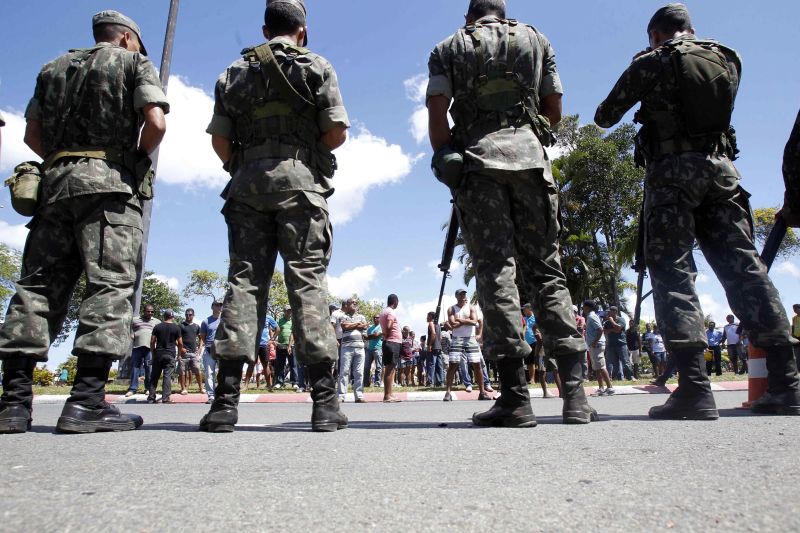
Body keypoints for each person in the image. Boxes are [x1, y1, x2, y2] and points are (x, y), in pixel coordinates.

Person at [595, 3, 799, 419]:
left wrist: (642, 69)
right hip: (723, 175)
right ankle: (787, 384)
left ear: (656, 34)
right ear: (691, 28)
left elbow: (605, 116)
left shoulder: (652, 61)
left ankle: (693, 388)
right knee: (746, 269)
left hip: (672, 176)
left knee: (672, 271)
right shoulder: (729, 58)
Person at [426, 0, 596, 427]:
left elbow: (437, 111)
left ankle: (515, 399)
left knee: (496, 273)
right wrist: (526, 137)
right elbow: (553, 109)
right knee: (548, 272)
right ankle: (575, 398)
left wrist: (446, 157)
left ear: (469, 17)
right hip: (532, 165)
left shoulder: (448, 47)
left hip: (478, 165)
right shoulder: (537, 40)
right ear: (502, 12)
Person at [0, 10, 168, 434]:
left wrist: (65, 161)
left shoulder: (52, 68)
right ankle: (86, 402)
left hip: (53, 188)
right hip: (110, 187)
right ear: (127, 38)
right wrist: (132, 159)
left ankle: (13, 404)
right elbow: (155, 122)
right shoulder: (133, 62)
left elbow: (31, 136)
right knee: (109, 286)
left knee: (36, 288)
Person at [200, 0, 349, 432]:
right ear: (302, 30)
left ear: (266, 31)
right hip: (300, 186)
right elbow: (336, 132)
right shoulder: (316, 65)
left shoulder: (233, 72)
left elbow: (220, 142)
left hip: (246, 187)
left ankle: (224, 404)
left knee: (244, 282)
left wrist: (248, 167)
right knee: (307, 283)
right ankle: (324, 405)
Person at [443, 289, 491, 402]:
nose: (463, 296)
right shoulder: (451, 309)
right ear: (456, 296)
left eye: (464, 294)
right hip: (457, 338)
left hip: (471, 338)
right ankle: (448, 393)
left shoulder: (471, 307)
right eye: (461, 294)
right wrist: (467, 320)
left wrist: (460, 320)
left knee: (477, 364)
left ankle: (482, 392)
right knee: (453, 365)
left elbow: (474, 322)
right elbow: (453, 324)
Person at [336, 298, 368, 403]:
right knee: (344, 372)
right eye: (352, 302)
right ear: (347, 305)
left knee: (359, 372)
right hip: (347, 347)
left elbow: (365, 327)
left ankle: (359, 396)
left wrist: (353, 325)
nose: (355, 304)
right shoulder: (342, 316)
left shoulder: (362, 317)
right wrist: (357, 325)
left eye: (356, 303)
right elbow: (344, 326)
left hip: (360, 347)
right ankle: (341, 396)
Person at [148, 310, 183, 404]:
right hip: (170, 354)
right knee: (167, 376)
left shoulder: (157, 327)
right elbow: (180, 343)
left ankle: (151, 397)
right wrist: (179, 355)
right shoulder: (176, 328)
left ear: (164, 316)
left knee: (154, 376)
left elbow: (152, 341)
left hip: (158, 354)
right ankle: (166, 398)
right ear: (173, 317)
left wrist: (153, 353)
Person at [126, 305, 160, 397]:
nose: (150, 313)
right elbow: (128, 329)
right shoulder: (135, 320)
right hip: (137, 347)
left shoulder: (157, 322)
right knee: (135, 368)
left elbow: (159, 334)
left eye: (152, 311)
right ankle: (132, 389)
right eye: (148, 311)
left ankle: (148, 388)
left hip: (150, 349)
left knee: (149, 368)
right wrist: (131, 334)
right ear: (143, 311)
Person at [583, 301, 614, 396]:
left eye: (584, 306)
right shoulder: (590, 316)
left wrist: (595, 342)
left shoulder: (592, 316)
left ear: (588, 307)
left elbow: (600, 330)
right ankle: (601, 388)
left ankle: (610, 388)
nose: (583, 308)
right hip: (593, 345)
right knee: (597, 367)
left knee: (601, 366)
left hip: (597, 345)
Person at [379, 294, 402, 402]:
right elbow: (389, 325)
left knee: (391, 369)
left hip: (389, 342)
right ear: (395, 302)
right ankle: (387, 396)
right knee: (389, 369)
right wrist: (388, 335)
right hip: (392, 342)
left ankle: (390, 394)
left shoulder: (383, 311)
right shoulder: (390, 312)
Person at [199, 301, 222, 404]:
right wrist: (209, 345)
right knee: (209, 374)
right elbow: (203, 337)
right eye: (217, 305)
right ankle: (211, 396)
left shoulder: (225, 320)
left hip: (222, 350)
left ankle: (221, 395)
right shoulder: (205, 321)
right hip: (209, 350)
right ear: (212, 307)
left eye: (221, 305)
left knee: (222, 374)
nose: (219, 307)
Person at [178, 308, 205, 395]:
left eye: (190, 315)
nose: (188, 316)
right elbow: (176, 339)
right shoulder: (181, 326)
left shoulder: (196, 326)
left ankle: (201, 388)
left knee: (197, 370)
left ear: (193, 315)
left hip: (194, 353)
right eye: (186, 314)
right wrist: (181, 348)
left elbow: (201, 338)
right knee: (182, 372)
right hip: (184, 353)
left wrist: (200, 348)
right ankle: (183, 389)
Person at [603, 306, 633, 381]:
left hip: (621, 344)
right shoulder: (607, 322)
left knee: (625, 362)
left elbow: (619, 328)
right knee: (615, 363)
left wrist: (612, 321)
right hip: (611, 345)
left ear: (615, 312)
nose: (608, 312)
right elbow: (605, 331)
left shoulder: (621, 319)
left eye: (610, 311)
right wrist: (613, 329)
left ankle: (630, 377)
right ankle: (619, 378)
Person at [250, 314, 279, 389]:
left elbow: (277, 329)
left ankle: (269, 385)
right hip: (253, 344)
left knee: (265, 365)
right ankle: (246, 385)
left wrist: (272, 339)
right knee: (251, 364)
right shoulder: (252, 315)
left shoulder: (268, 317)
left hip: (264, 345)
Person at [273, 308, 296, 389]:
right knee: (280, 364)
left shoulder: (293, 321)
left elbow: (293, 333)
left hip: (291, 345)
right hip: (280, 345)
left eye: (290, 310)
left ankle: (294, 382)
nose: (289, 312)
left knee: (293, 364)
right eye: (287, 310)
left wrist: (289, 346)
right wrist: (273, 340)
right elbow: (275, 330)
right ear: (284, 311)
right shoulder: (279, 320)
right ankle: (279, 382)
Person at [364, 315, 384, 388]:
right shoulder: (370, 328)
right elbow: (366, 337)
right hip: (369, 349)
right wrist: (373, 335)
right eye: (374, 317)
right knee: (366, 367)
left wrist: (370, 336)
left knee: (378, 366)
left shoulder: (381, 327)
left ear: (380, 319)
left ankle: (377, 382)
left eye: (377, 317)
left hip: (378, 348)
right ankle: (366, 382)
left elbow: (376, 335)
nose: (375, 319)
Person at [426, 311, 444, 387]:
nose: (426, 318)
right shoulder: (438, 325)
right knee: (439, 365)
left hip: (433, 347)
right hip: (439, 347)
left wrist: (430, 345)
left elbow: (433, 333)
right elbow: (440, 337)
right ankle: (440, 382)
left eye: (428, 316)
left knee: (431, 364)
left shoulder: (431, 323)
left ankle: (430, 382)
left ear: (431, 316)